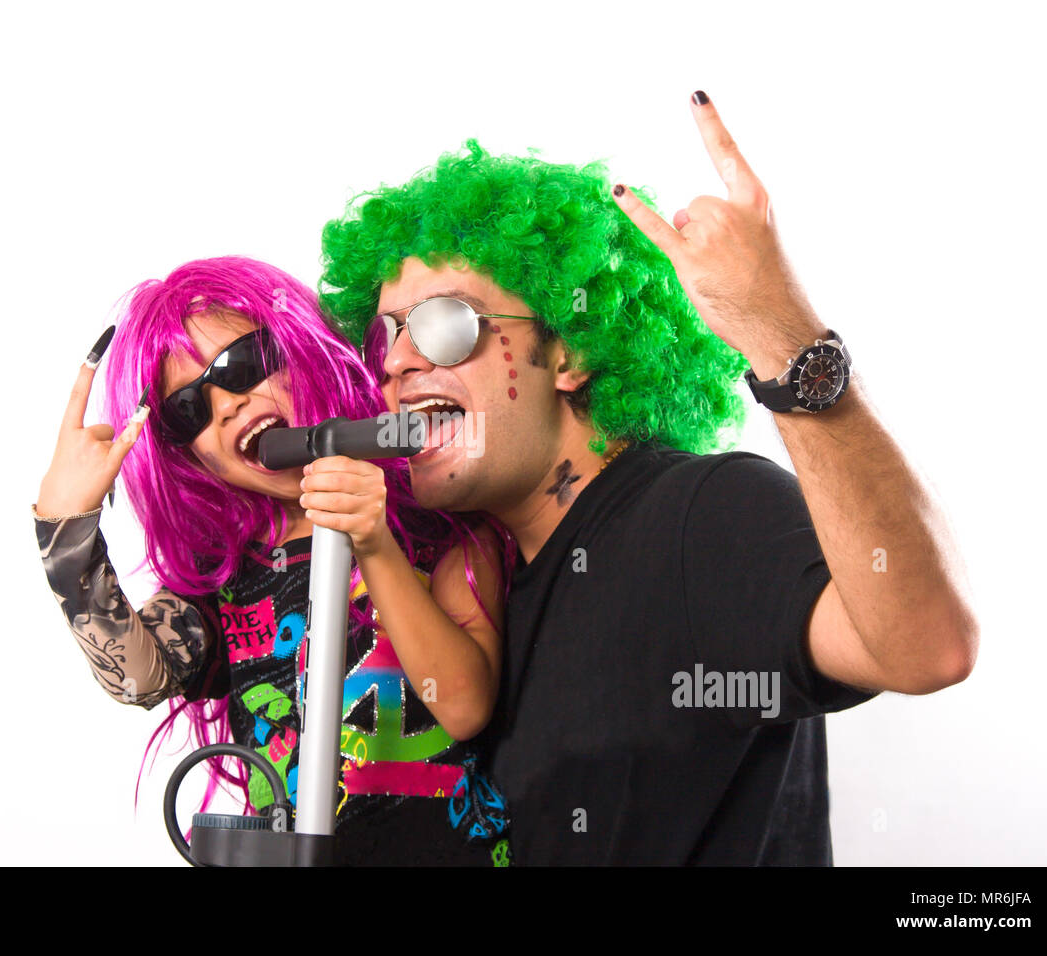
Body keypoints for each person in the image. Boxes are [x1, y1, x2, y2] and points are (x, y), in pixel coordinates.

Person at [316, 92, 979, 864]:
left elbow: (928, 647)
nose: (397, 361)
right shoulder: (482, 583)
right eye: (385, 334)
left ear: (570, 353)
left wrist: (781, 332)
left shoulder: (700, 513)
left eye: (441, 323)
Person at [32, 256, 514, 866]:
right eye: (189, 409)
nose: (226, 406)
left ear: (303, 351)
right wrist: (66, 535)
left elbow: (465, 703)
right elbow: (138, 676)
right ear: (191, 457)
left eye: (242, 366)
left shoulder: (441, 529)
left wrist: (373, 541)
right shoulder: (223, 583)